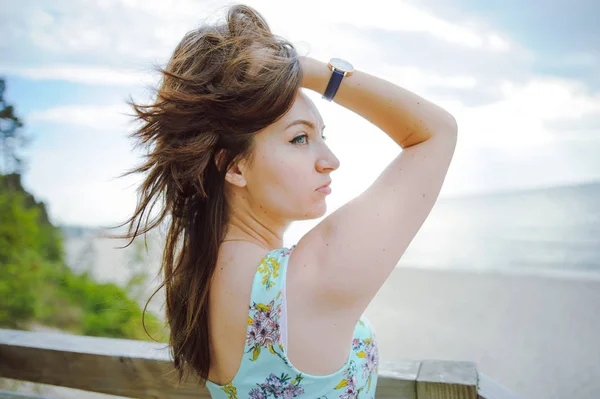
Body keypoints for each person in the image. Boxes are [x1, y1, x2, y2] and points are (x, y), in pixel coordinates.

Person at [113, 3, 457, 398]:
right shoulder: (307, 276)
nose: (330, 161)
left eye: (322, 137)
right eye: (299, 139)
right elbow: (437, 132)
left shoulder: (199, 274)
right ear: (235, 167)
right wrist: (303, 70)